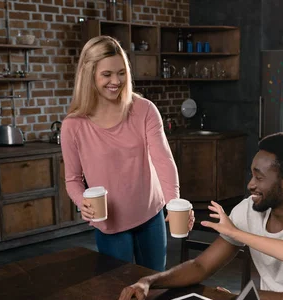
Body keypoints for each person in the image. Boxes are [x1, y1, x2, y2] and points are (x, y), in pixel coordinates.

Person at [119, 132, 283, 300]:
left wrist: (249, 295)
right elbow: (200, 266)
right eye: (251, 175)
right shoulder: (248, 210)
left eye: (259, 177)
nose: (250, 184)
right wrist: (149, 282)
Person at [61, 36, 191, 272]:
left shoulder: (144, 110)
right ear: (89, 75)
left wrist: (174, 201)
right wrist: (83, 203)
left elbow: (163, 160)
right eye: (107, 74)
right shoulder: (73, 125)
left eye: (121, 73)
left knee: (154, 283)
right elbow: (72, 180)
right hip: (110, 223)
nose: (116, 81)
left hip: (151, 215)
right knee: (119, 289)